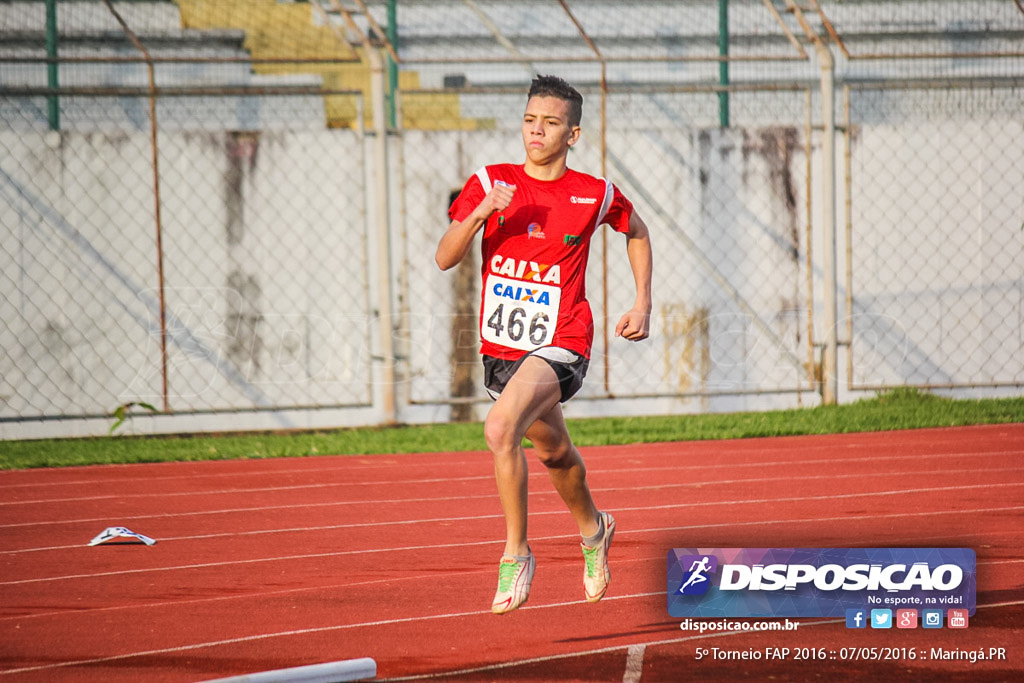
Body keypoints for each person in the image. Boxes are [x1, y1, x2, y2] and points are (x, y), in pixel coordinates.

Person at [436, 75, 653, 615]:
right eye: (531, 120)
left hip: (563, 341)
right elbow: (444, 257)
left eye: (550, 123)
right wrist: (483, 211)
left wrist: (642, 302)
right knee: (554, 452)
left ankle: (516, 553)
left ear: (572, 133)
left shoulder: (594, 192)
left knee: (498, 429)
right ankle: (594, 529)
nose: (537, 131)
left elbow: (638, 231)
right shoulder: (490, 180)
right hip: (502, 350)